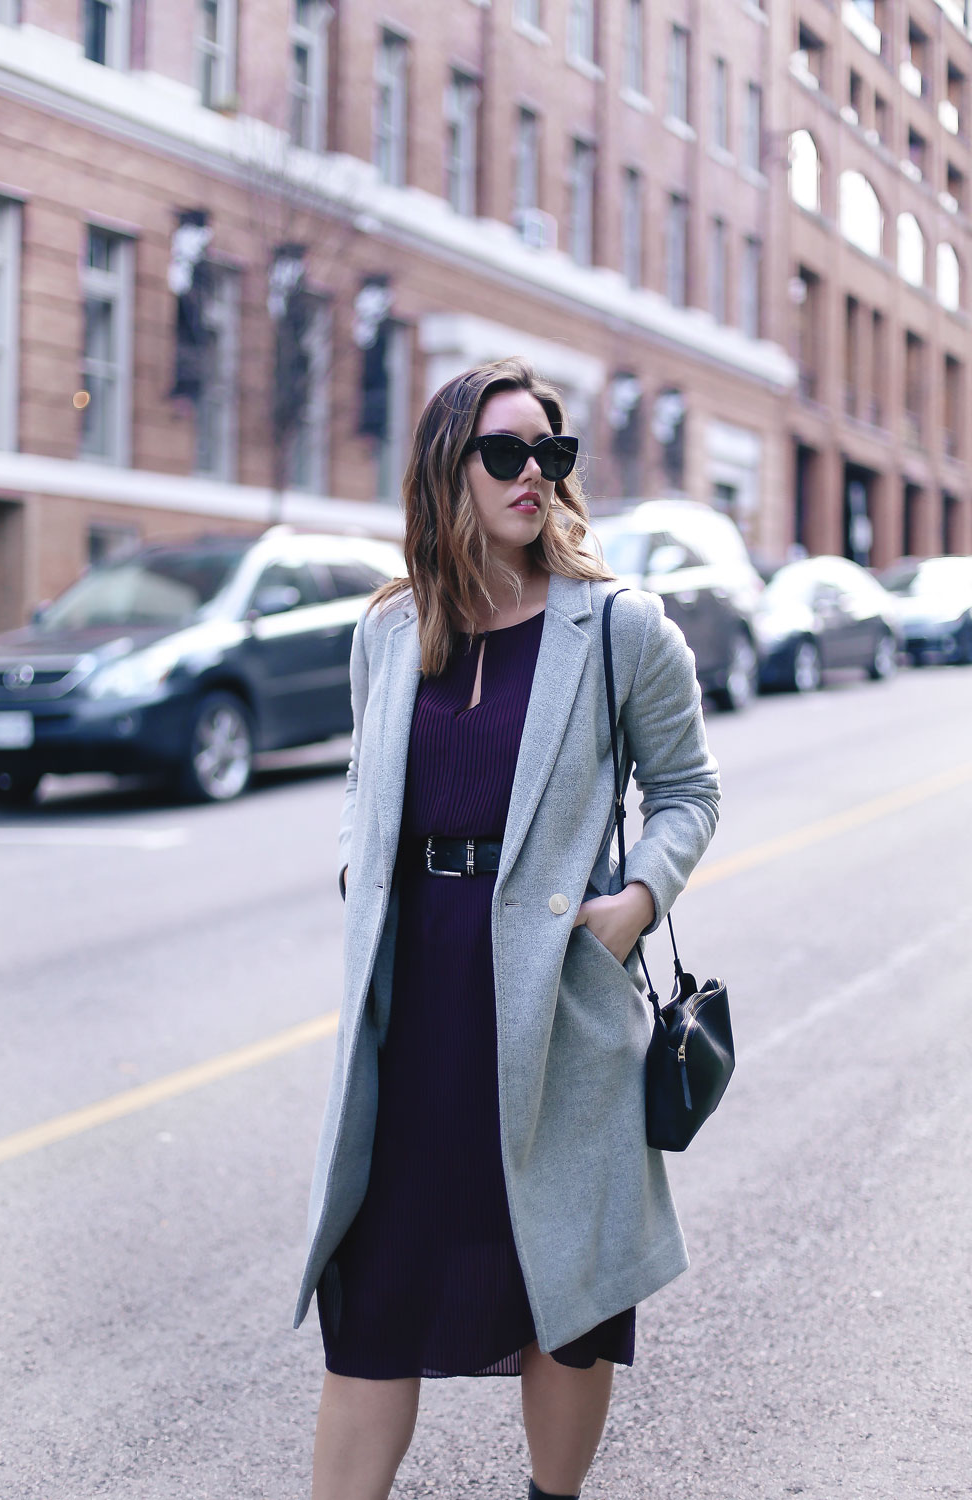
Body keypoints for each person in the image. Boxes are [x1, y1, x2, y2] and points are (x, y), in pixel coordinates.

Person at [294, 357, 721, 1500]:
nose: (535, 473)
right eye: (506, 453)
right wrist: (356, 867)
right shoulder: (390, 630)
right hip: (417, 992)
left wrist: (632, 908)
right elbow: (361, 775)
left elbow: (688, 792)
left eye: (552, 452)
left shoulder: (621, 628)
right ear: (449, 469)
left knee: (565, 1299)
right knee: (374, 1285)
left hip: (554, 986)